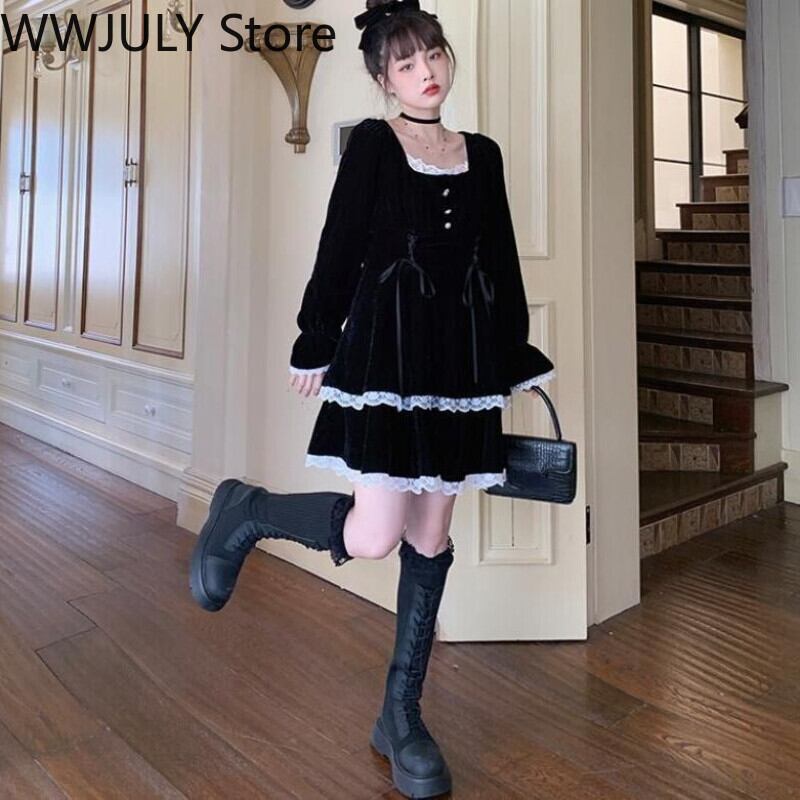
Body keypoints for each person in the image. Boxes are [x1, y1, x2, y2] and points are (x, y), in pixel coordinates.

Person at [189, 1, 555, 797]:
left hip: (460, 364)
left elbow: (500, 257)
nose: (426, 72)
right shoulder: (373, 147)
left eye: (434, 54)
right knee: (377, 533)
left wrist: (513, 351)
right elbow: (342, 244)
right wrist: (317, 336)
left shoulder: (483, 154)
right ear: (383, 78)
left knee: (431, 535)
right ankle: (245, 510)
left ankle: (402, 716)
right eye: (406, 63)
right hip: (388, 350)